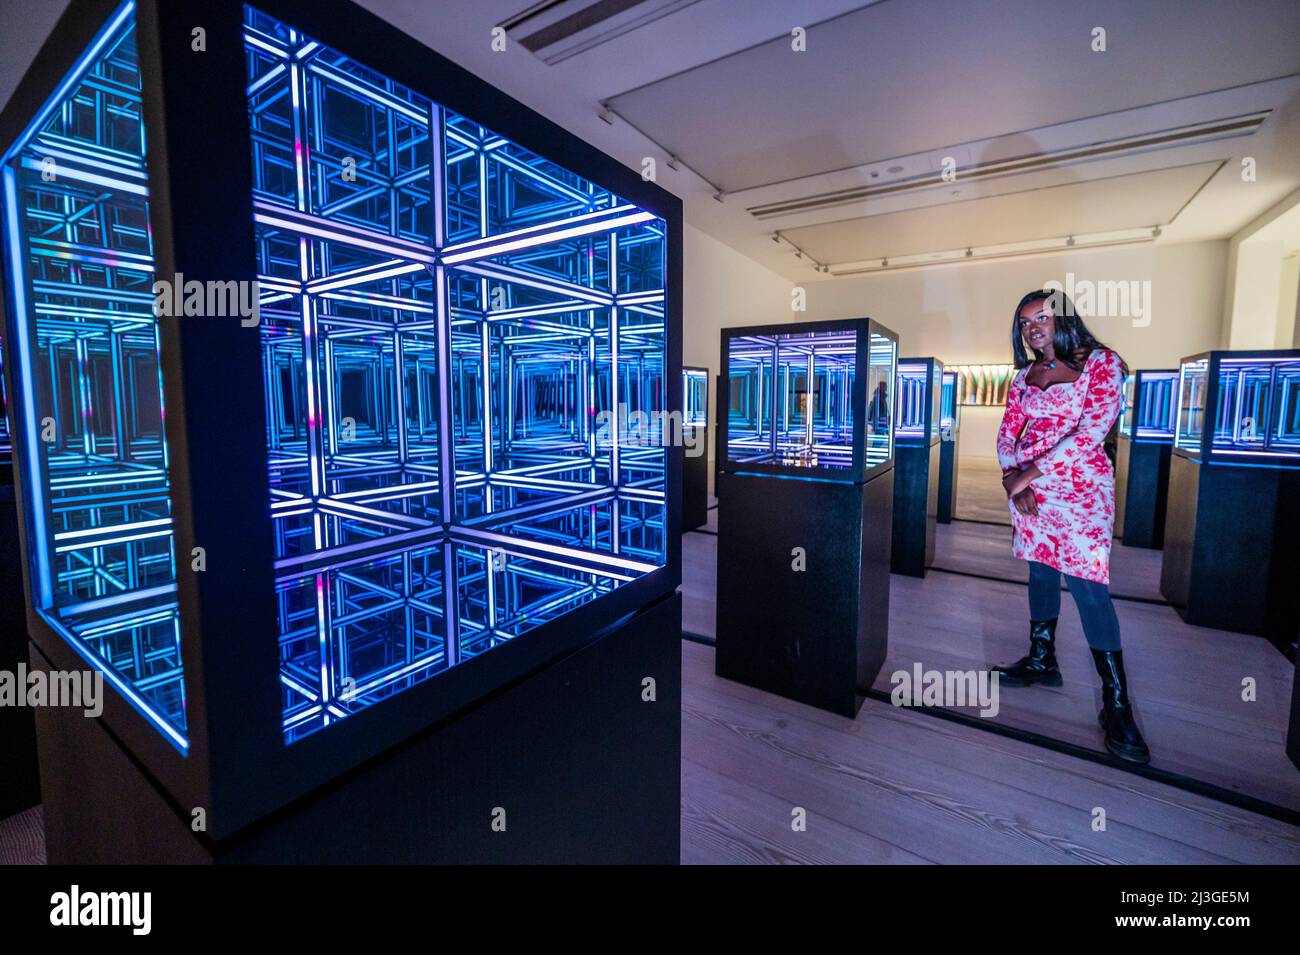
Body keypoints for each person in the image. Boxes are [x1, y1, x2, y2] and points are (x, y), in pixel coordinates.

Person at [993, 289, 1150, 764]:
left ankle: (1116, 702)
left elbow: (1090, 433)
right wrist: (1011, 481)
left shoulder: (1102, 363)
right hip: (1031, 493)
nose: (1033, 327)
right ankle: (1042, 659)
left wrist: (1026, 475)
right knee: (1040, 570)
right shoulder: (1023, 376)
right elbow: (1007, 431)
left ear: (1064, 317)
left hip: (1081, 493)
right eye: (1024, 322)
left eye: (1042, 317)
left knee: (1088, 588)